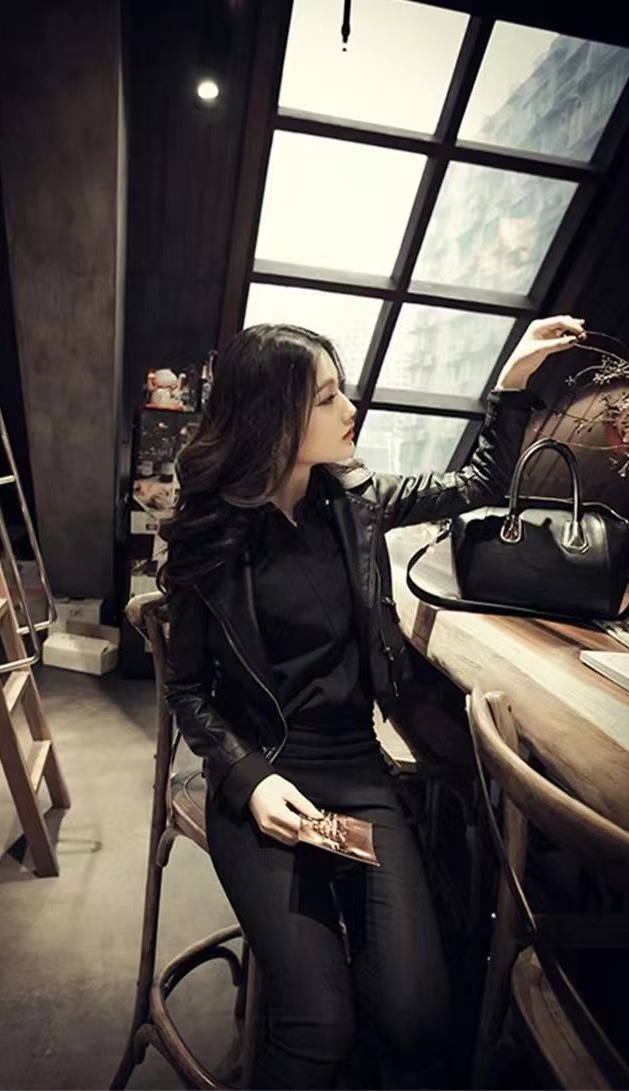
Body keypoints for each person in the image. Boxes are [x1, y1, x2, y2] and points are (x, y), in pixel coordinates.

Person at [157, 316, 584, 1090]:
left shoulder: (354, 501)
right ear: (276, 417)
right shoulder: (211, 535)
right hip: (265, 787)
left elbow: (478, 484)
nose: (350, 408)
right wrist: (250, 779)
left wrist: (513, 382)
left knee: (419, 1013)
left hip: (355, 785)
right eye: (328, 397)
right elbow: (187, 689)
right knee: (318, 1024)